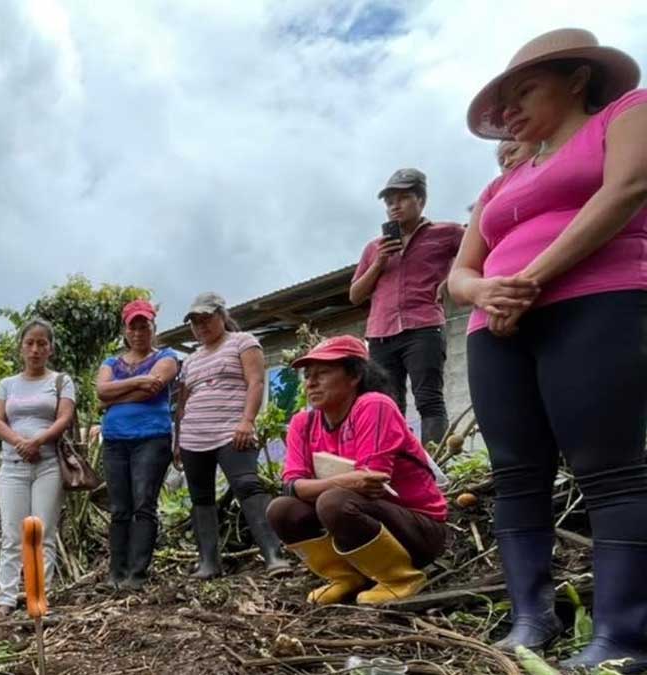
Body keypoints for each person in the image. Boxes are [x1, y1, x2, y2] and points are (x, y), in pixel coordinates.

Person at [451, 28, 647, 668]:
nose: (508, 112)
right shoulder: (499, 186)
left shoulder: (626, 114)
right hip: (497, 329)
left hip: (597, 301)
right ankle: (531, 619)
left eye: (523, 92)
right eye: (500, 104)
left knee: (610, 467)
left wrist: (532, 280)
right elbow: (460, 273)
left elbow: (626, 191)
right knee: (515, 474)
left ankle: (621, 636)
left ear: (578, 79)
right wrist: (487, 294)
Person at [266, 336, 448, 606]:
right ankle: (346, 578)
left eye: (323, 373)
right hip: (361, 525)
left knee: (333, 501)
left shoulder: (373, 405)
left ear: (354, 376)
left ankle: (401, 578)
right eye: (308, 375)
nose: (311, 383)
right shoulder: (302, 424)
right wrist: (348, 480)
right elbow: (291, 486)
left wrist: (323, 486)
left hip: (418, 531)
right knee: (281, 509)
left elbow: (372, 483)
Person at [174, 292, 289, 578]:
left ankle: (273, 556)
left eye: (206, 318)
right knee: (201, 497)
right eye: (195, 322)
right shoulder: (191, 360)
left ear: (222, 316)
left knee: (248, 486)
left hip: (232, 431)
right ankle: (209, 564)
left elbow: (256, 382)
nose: (201, 326)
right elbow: (183, 403)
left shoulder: (243, 342)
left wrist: (247, 421)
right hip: (194, 437)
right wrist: (178, 440)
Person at [348, 168, 464, 448]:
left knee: (428, 398)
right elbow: (355, 295)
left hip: (423, 326)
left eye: (403, 198)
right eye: (389, 202)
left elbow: (479, 252)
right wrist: (379, 261)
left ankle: (436, 467)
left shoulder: (447, 233)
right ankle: (395, 464)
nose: (395, 206)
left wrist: (451, 280)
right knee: (388, 404)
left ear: (421, 200)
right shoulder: (374, 248)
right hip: (380, 333)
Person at [0, 318, 75, 620]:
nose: (36, 349)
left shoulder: (61, 381)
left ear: (50, 348)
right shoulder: (7, 384)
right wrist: (20, 442)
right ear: (21, 347)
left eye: (42, 343)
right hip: (12, 466)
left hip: (48, 465)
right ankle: (7, 599)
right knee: (12, 533)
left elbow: (64, 417)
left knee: (41, 533)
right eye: (30, 343)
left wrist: (38, 441)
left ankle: (39, 601)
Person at [95, 300, 180, 591]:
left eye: (145, 325)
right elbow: (100, 390)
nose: (139, 331)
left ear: (153, 327)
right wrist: (140, 381)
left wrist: (113, 399)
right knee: (120, 507)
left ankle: (137, 575)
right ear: (126, 330)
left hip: (152, 438)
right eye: (134, 326)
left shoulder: (168, 356)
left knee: (144, 504)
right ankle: (115, 574)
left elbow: (153, 388)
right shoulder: (110, 362)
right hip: (115, 441)